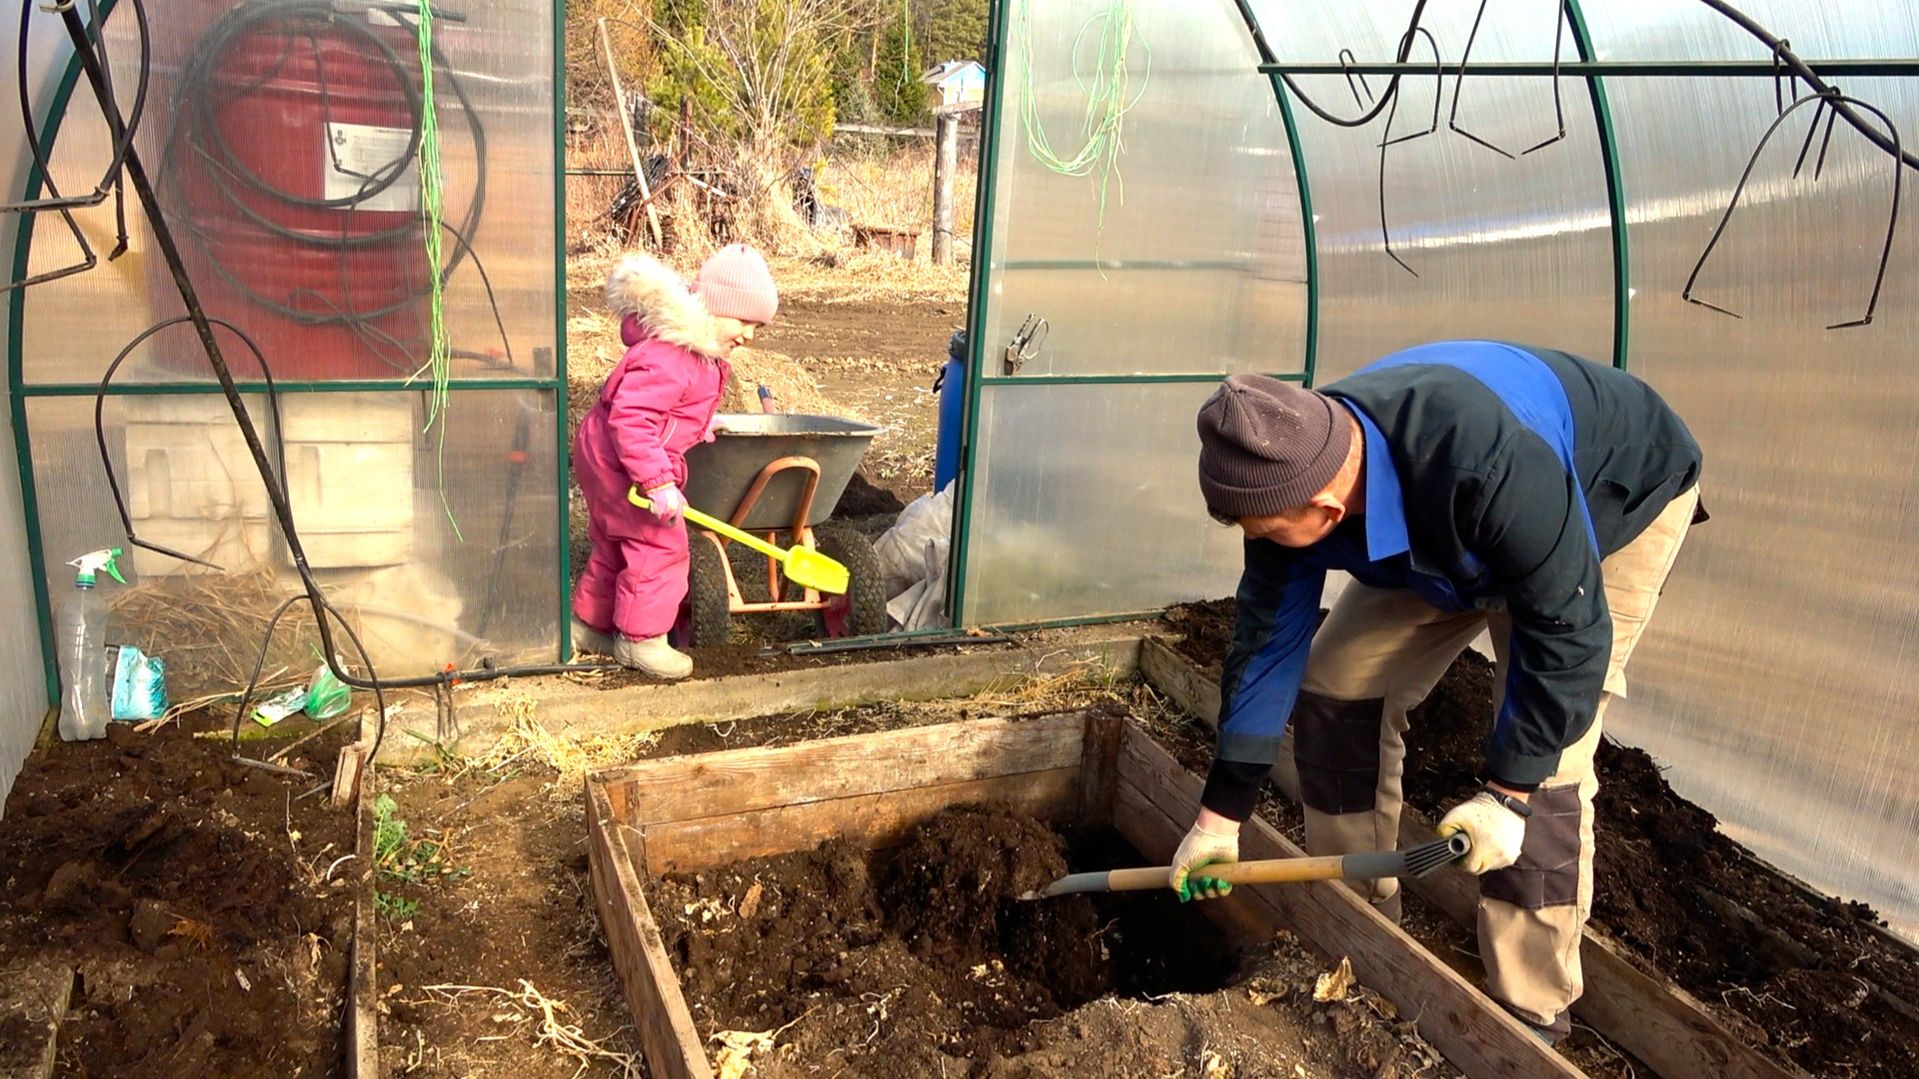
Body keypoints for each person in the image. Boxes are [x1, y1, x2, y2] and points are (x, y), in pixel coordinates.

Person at [1170, 340, 1704, 1042]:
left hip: (1605, 501)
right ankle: (1357, 914)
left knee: (1551, 760)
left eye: (1266, 531)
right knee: (1336, 685)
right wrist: (1219, 816)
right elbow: (1265, 643)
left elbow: (1567, 631)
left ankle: (1528, 1008)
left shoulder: (1485, 460)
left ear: (1328, 505)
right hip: (1452, 526)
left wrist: (1505, 794)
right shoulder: (1284, 464)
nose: (1258, 541)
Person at [570, 244, 779, 678]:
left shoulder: (693, 351)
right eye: (744, 321)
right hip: (622, 464)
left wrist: (700, 425)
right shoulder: (673, 355)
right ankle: (640, 642)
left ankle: (588, 627)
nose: (750, 335)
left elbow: (667, 410)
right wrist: (657, 482)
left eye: (757, 325)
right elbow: (632, 418)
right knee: (659, 546)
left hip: (606, 455)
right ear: (713, 308)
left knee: (615, 544)